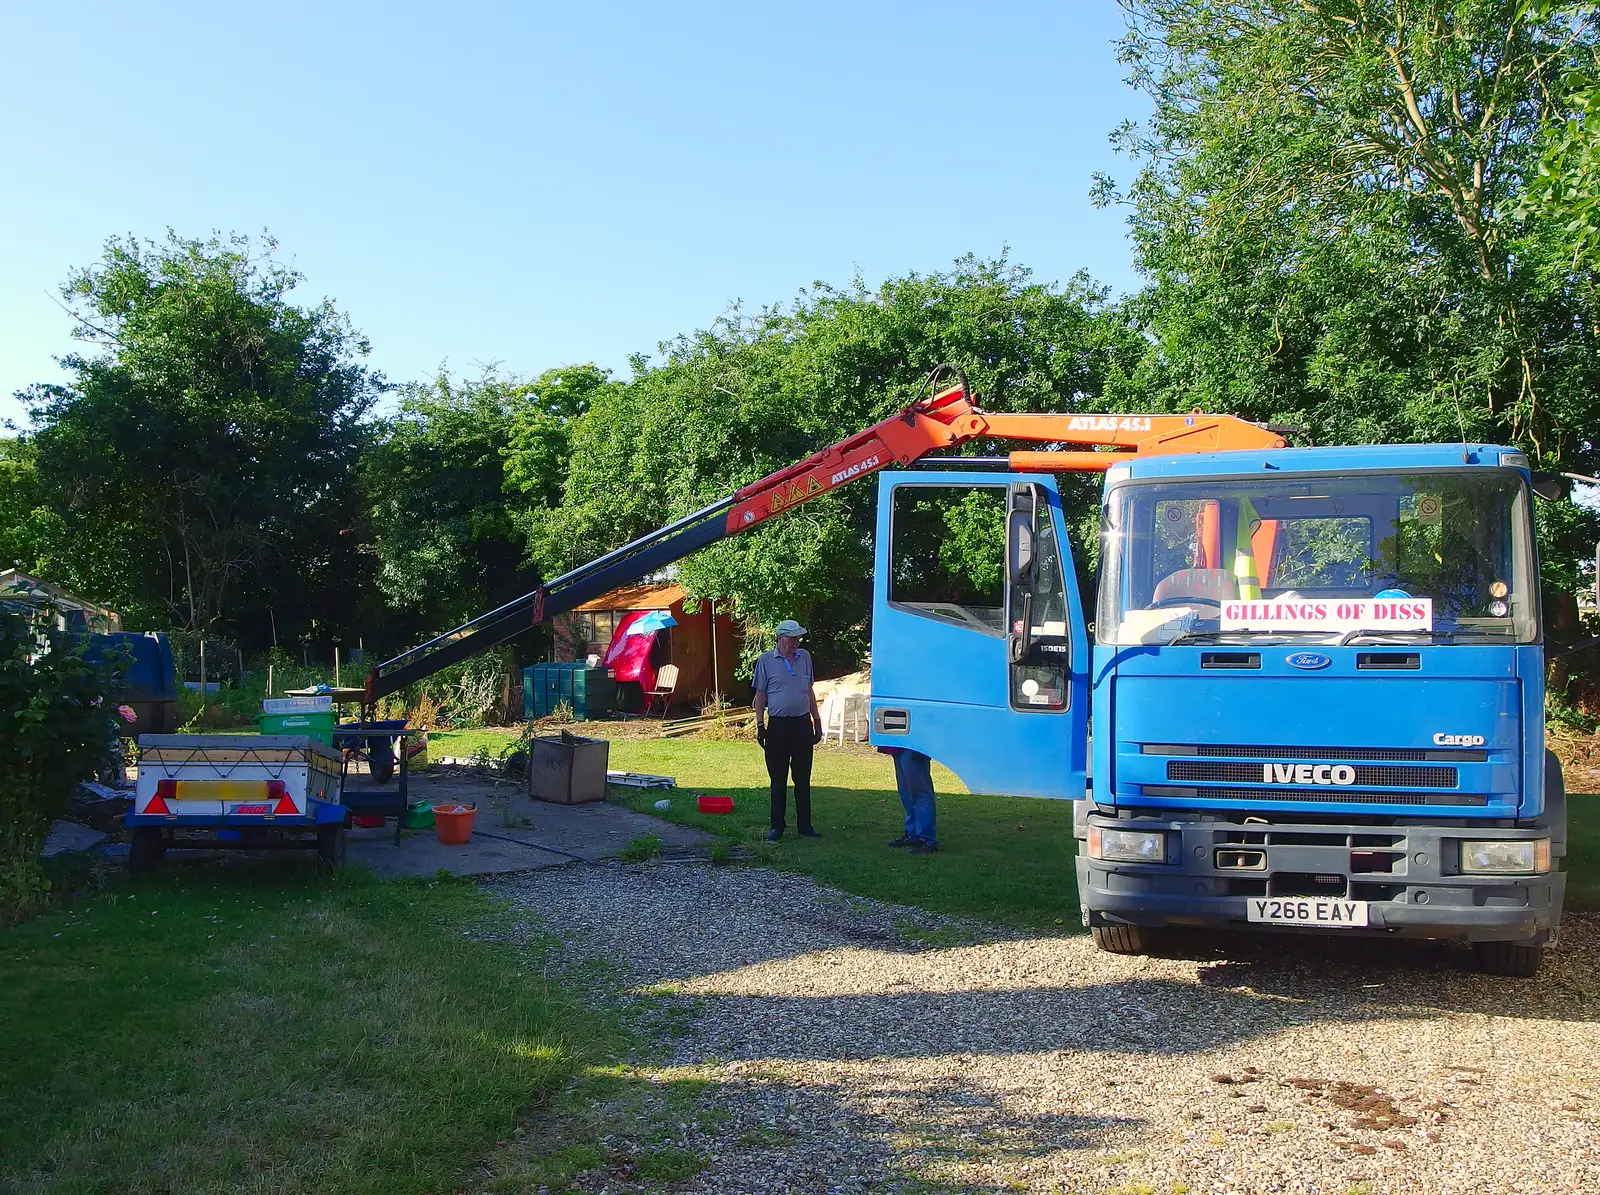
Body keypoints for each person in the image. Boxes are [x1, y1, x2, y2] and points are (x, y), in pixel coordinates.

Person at [753, 618, 822, 841]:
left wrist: (817, 721)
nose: (796, 642)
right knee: (778, 778)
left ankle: (805, 826)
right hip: (778, 726)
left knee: (803, 778)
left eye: (798, 638)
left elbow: (809, 691)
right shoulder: (765, 660)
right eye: (792, 638)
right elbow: (760, 695)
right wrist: (760, 724)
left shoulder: (805, 658)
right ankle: (777, 826)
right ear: (780, 638)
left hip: (802, 724)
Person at [880, 746, 937, 854]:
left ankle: (926, 839)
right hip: (899, 744)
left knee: (920, 792)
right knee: (907, 792)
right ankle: (913, 834)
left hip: (913, 745)